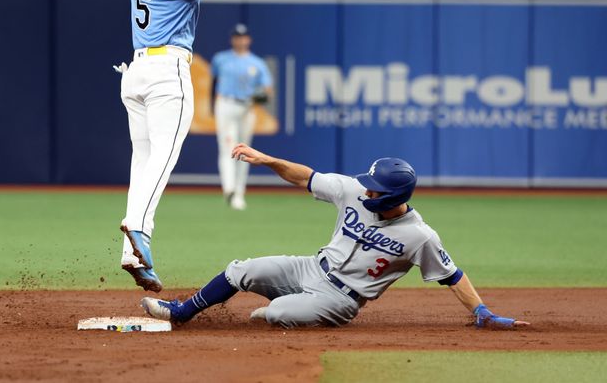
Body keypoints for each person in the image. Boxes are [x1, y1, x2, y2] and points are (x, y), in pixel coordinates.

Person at [117, 0, 311, 293]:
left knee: (143, 161)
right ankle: (138, 233)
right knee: (162, 160)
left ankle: (133, 253)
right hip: (167, 75)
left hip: (135, 73)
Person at [140, 145, 530, 330]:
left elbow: (452, 275)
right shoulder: (352, 191)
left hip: (341, 298)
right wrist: (269, 161)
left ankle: (289, 306)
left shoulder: (420, 236)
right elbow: (305, 176)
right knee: (242, 270)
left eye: (376, 189)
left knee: (275, 314)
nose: (367, 191)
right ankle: (182, 311)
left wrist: (482, 312)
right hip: (310, 267)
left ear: (394, 196)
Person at [210, 24, 273, 211]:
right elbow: (213, 83)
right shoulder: (221, 59)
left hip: (247, 106)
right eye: (237, 37)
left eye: (243, 36)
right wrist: (211, 105)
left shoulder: (256, 63)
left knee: (244, 150)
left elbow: (268, 89)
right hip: (226, 103)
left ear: (249, 39)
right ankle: (228, 188)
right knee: (226, 146)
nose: (240, 40)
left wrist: (261, 96)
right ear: (233, 39)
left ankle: (239, 192)